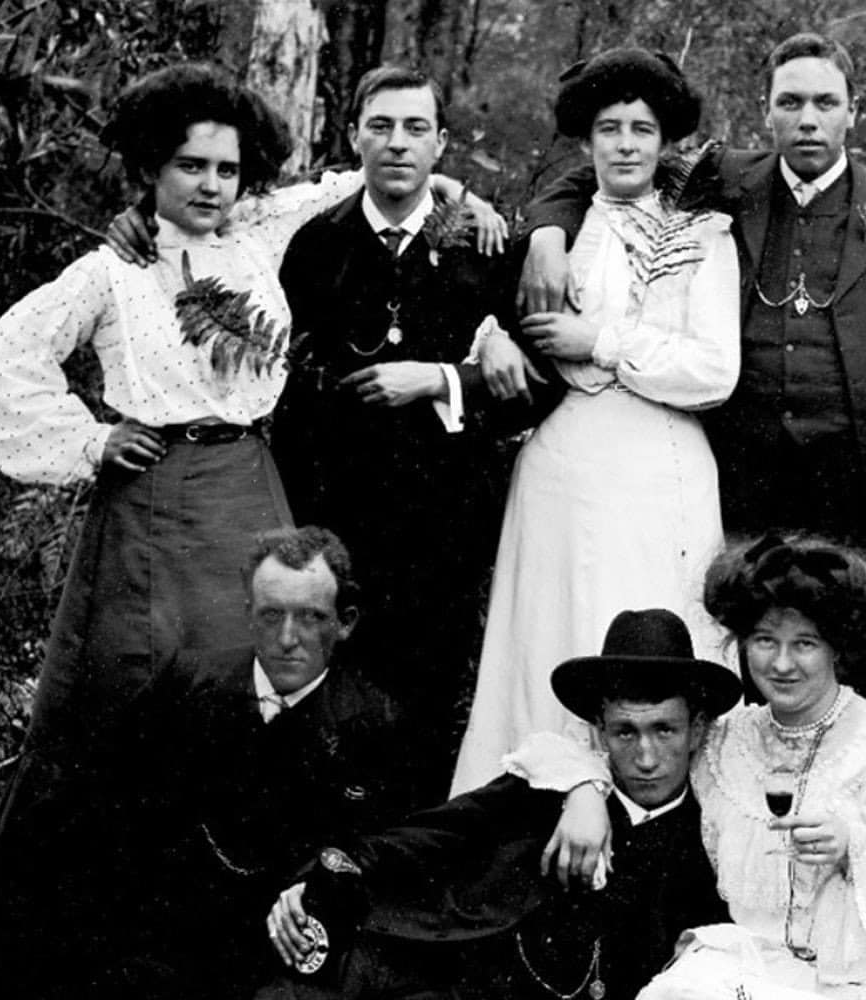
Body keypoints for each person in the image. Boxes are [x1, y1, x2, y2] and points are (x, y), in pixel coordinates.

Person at [0, 64, 311, 990]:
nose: (210, 185)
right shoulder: (112, 269)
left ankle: (229, 932)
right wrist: (89, 440)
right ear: (149, 172)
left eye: (227, 169)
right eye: (190, 166)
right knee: (132, 704)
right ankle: (95, 936)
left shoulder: (257, 240)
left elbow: (371, 182)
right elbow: (12, 357)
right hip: (157, 502)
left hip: (250, 489)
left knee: (253, 697)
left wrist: (448, 192)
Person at [517, 32, 866, 634]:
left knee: (850, 657)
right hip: (742, 487)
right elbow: (609, 167)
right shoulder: (722, 180)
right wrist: (545, 233)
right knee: (741, 649)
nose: (808, 120)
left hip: (861, 489)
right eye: (791, 102)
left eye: (826, 103)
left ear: (853, 111)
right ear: (765, 110)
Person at [0, 526, 433, 999]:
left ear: (345, 624)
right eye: (270, 615)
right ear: (247, 611)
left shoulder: (376, 724)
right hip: (148, 923)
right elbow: (79, 803)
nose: (287, 639)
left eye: (311, 617)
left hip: (260, 955)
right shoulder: (194, 682)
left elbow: (381, 860)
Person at [513, 534, 866, 1000]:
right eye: (764, 641)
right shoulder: (727, 741)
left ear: (836, 650)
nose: (781, 664)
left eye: (804, 644)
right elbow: (565, 743)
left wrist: (854, 850)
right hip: (756, 970)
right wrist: (583, 789)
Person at [447, 47, 740, 796]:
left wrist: (602, 341)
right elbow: (483, 318)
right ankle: (534, 809)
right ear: (586, 143)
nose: (626, 145)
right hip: (562, 463)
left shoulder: (702, 235)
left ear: (665, 141)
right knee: (552, 633)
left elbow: (713, 371)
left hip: (659, 464)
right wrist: (500, 339)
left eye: (643, 129)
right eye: (609, 129)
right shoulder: (558, 230)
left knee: (650, 628)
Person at [270, 65, 555, 778]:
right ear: (354, 137)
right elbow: (290, 392)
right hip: (337, 517)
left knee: (423, 715)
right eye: (382, 126)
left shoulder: (481, 248)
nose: (398, 144)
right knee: (324, 700)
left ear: (441, 144)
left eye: (416, 128)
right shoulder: (314, 247)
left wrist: (441, 380)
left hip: (443, 528)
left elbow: (531, 391)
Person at [254, 608, 739, 1000]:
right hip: (452, 976)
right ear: (599, 730)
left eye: (665, 730)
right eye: (625, 732)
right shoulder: (556, 786)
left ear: (697, 729)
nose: (646, 757)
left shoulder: (712, 835)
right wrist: (326, 872)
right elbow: (437, 833)